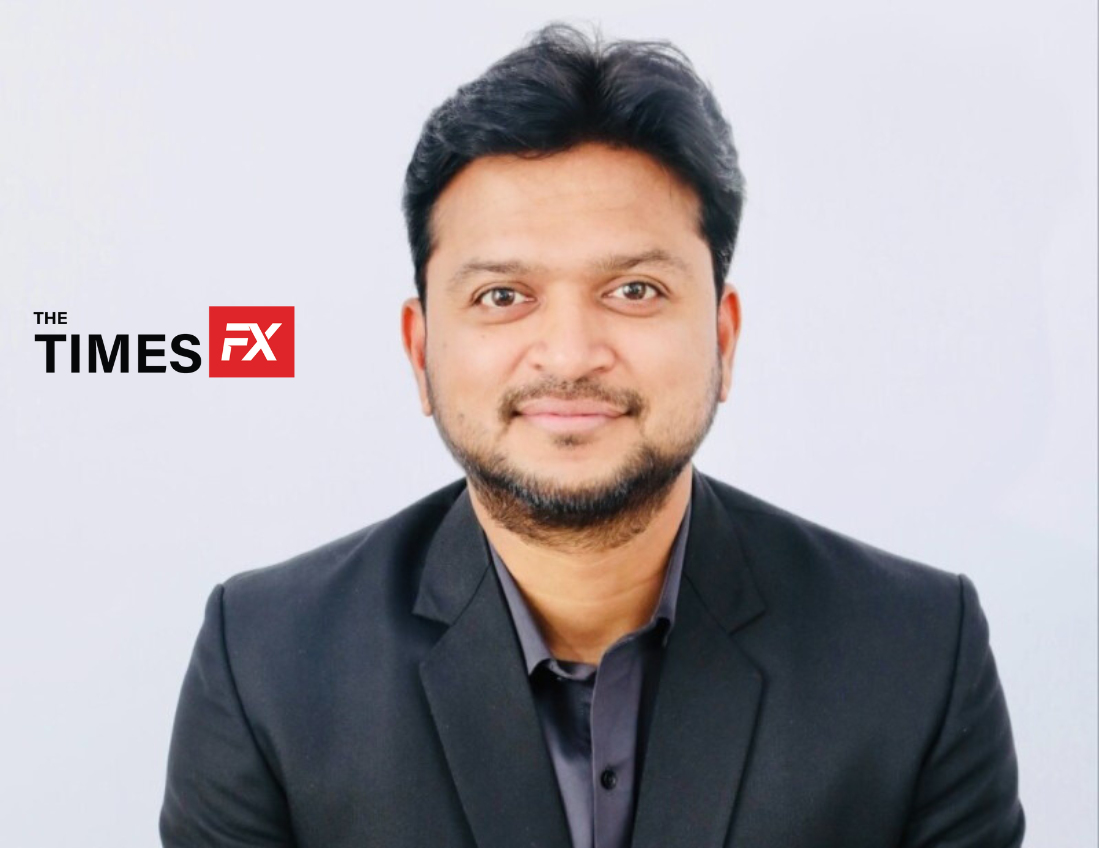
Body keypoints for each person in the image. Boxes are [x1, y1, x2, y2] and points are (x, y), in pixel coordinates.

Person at [160, 22, 1025, 848]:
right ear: (420, 351)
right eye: (503, 296)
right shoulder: (266, 666)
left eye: (634, 291)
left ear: (722, 338)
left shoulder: (914, 654)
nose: (570, 354)